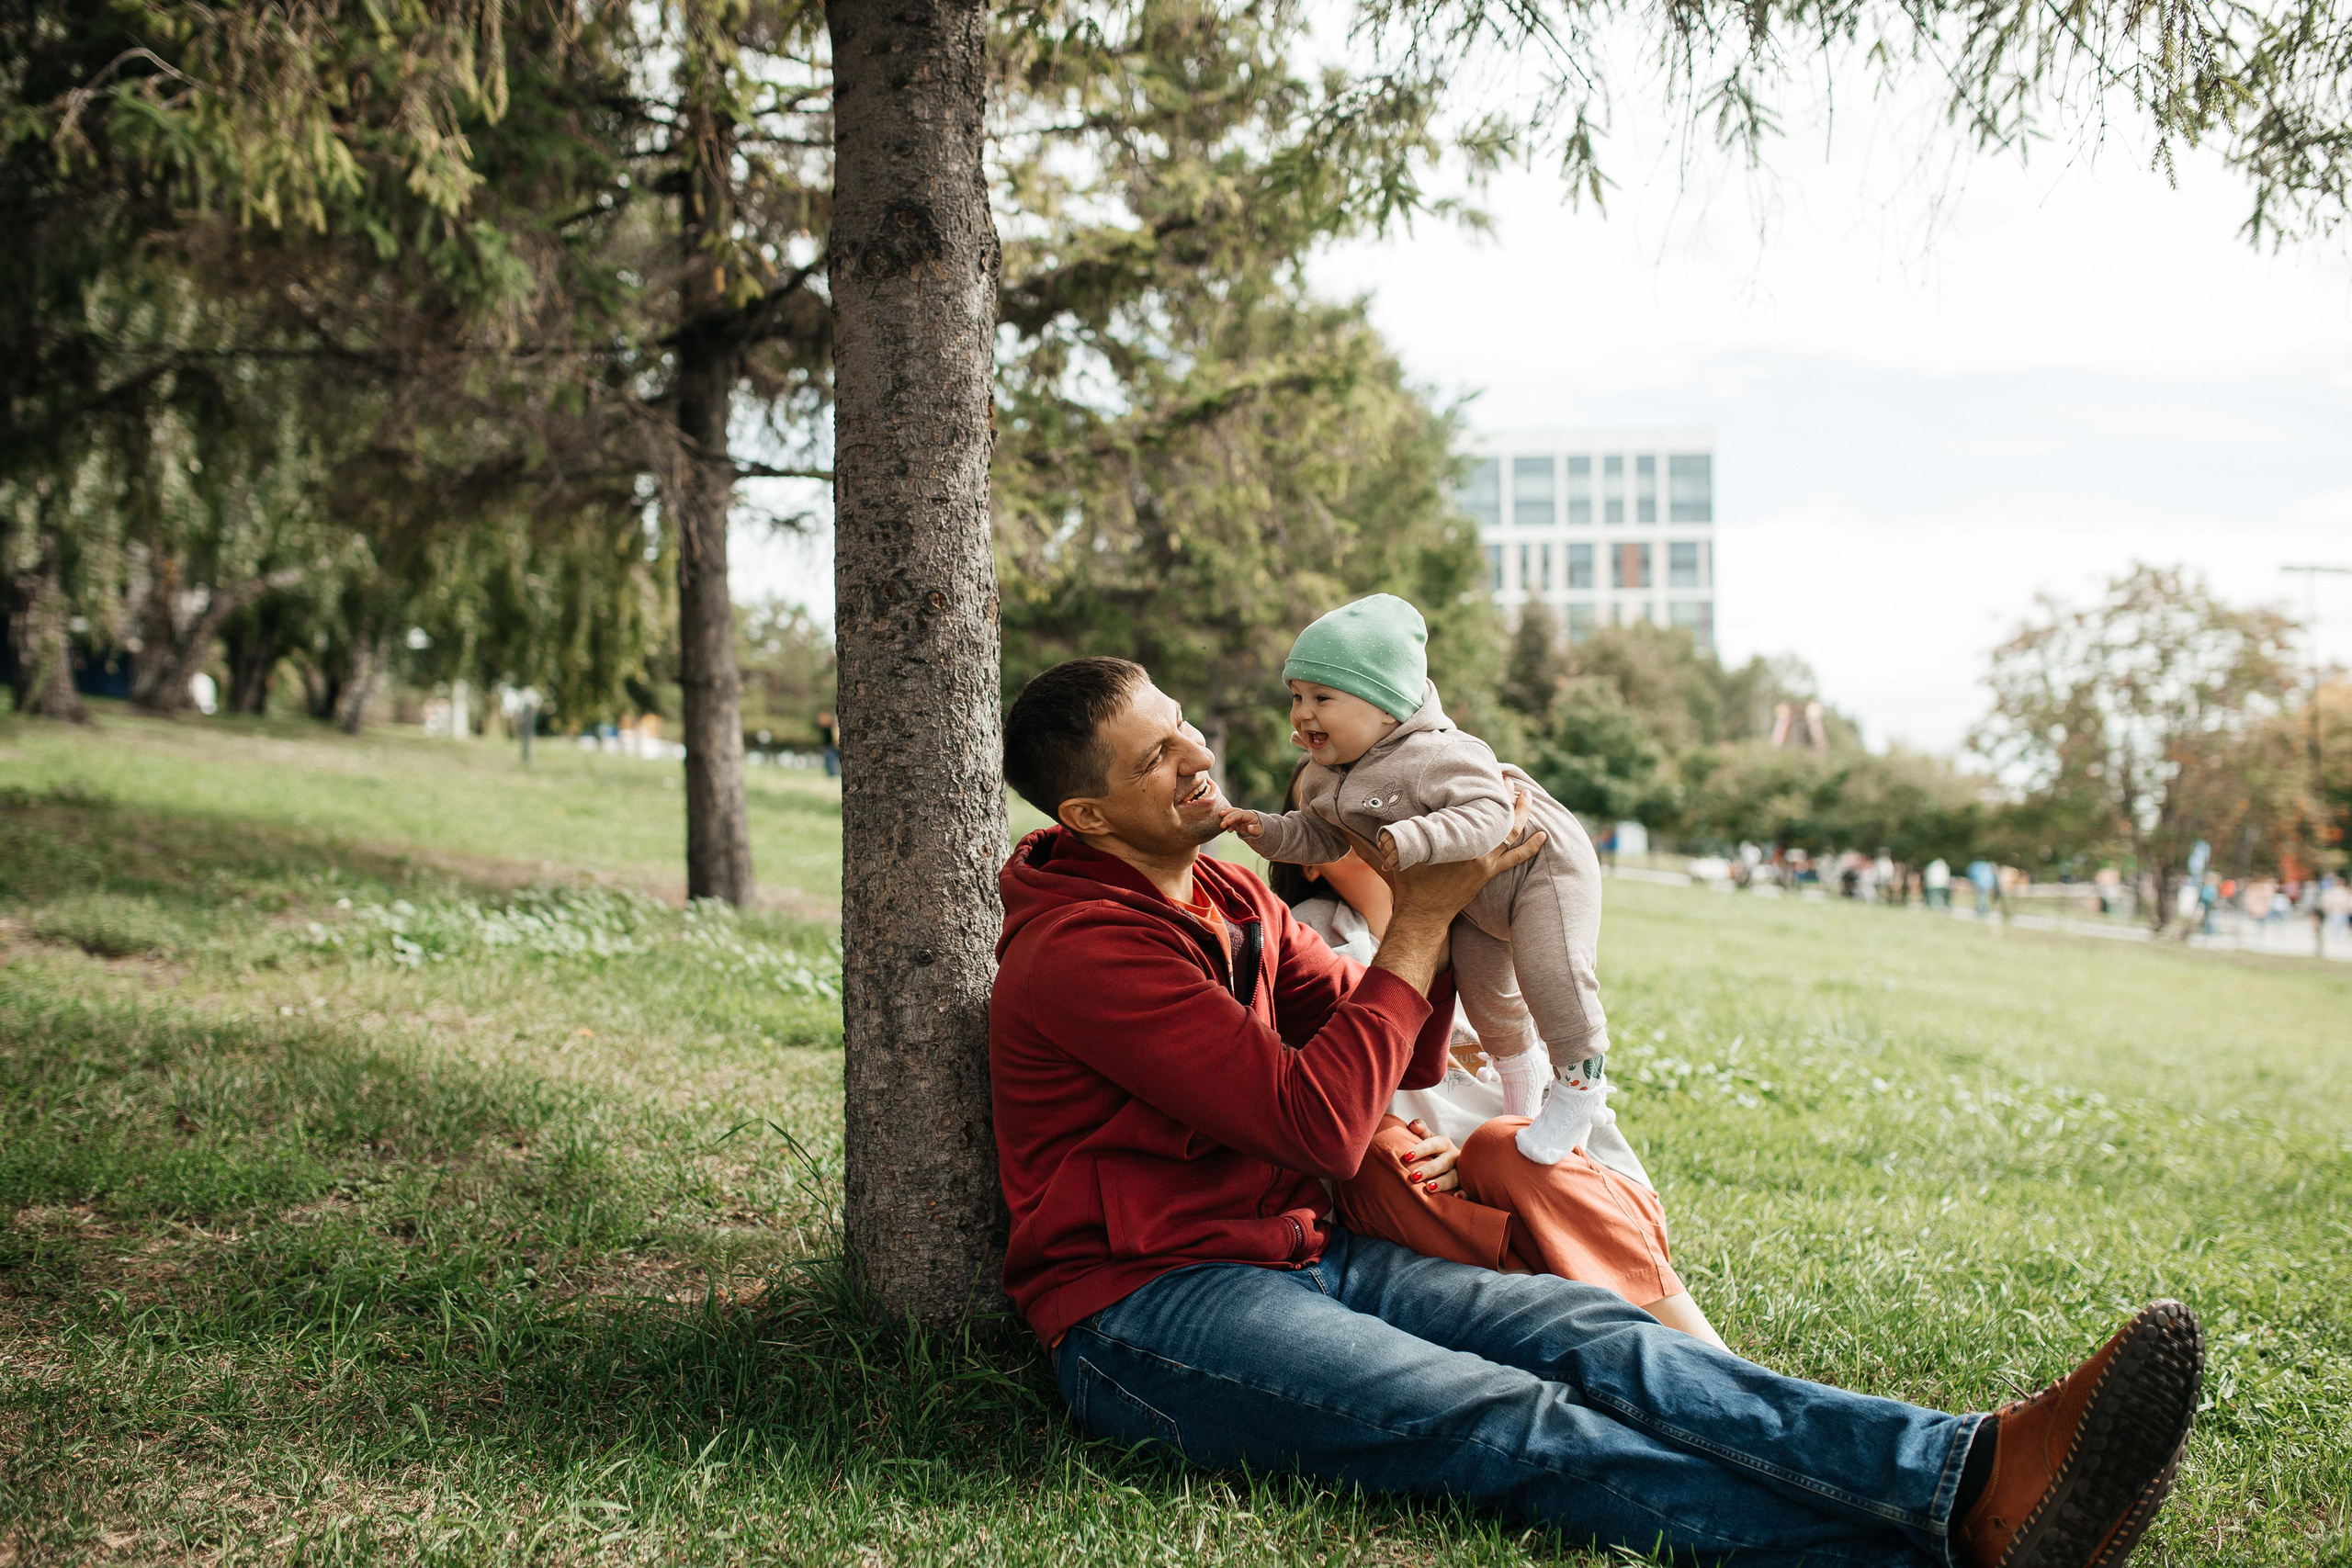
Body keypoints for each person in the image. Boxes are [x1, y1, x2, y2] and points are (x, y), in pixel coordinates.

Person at [993, 655, 2202, 1568]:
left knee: (1589, 1331)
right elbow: (1316, 1119)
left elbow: (1380, 1026)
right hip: (1151, 1312)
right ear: (1087, 816)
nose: (1195, 755)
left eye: (1181, 726)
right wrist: (1415, 917)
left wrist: (1472, 907)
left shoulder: (1219, 888)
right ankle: (1919, 1552)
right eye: (1154, 757)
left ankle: (1970, 1469)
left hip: (1297, 1254)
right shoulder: (1083, 950)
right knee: (1511, 1422)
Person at [1264, 764, 1725, 1348]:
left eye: (1384, 793)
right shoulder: (1304, 943)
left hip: (1568, 1190)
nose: (1376, 814)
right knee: (1378, 1156)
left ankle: (1705, 1352)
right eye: (1345, 806)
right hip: (1448, 1213)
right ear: (1311, 853)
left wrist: (1477, 1154)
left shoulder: (1493, 923)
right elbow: (1318, 1096)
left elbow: (1561, 1088)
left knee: (1506, 1148)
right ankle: (1576, 1327)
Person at [1219, 595, 1614, 1166]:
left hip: (1538, 865)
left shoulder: (1439, 753)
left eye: (1322, 697)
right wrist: (1266, 830)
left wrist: (1414, 841)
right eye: (1296, 697)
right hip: (1472, 895)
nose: (1303, 713)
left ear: (1386, 707)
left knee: (1554, 975)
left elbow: (1491, 813)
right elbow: (1320, 836)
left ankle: (1581, 1086)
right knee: (1490, 1003)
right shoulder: (1325, 780)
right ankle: (1521, 1104)